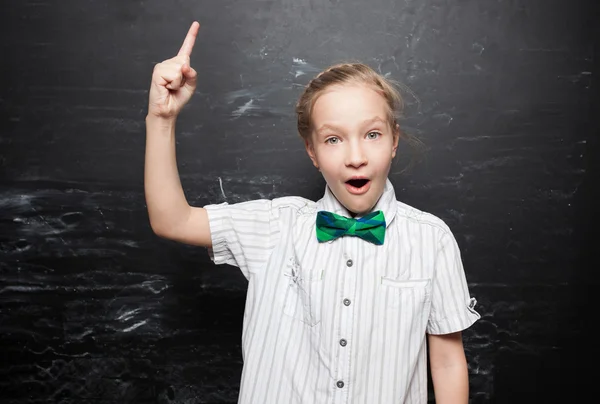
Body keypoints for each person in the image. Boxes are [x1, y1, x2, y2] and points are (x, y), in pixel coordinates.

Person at [145, 21, 480, 404]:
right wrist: (161, 119)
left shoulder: (431, 239)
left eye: (372, 134)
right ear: (312, 152)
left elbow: (449, 363)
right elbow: (171, 219)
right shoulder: (275, 226)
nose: (356, 157)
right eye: (334, 139)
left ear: (394, 141)